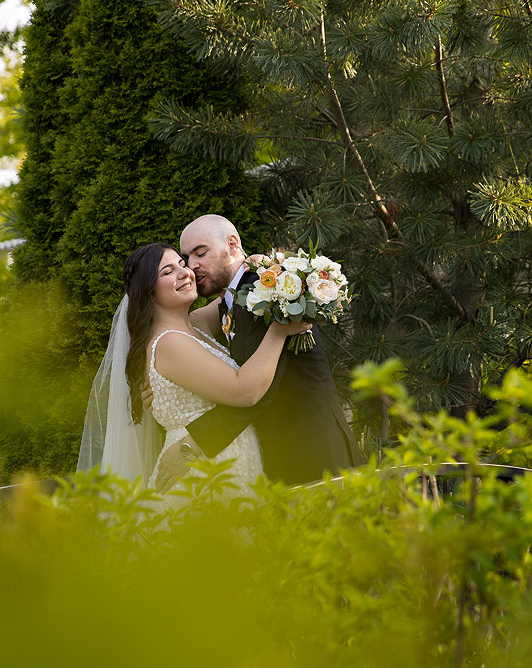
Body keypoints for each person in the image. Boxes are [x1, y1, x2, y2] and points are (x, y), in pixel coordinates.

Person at [77, 242, 311, 508]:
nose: (184, 272)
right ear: (149, 293)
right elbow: (245, 390)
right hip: (201, 473)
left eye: (181, 264)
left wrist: (257, 262)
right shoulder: (168, 343)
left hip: (228, 462)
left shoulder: (194, 324)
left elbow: (235, 289)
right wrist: (280, 330)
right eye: (167, 271)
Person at [153, 214, 363, 491]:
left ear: (232, 244)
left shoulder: (266, 293)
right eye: (186, 257)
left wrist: (193, 444)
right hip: (282, 459)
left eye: (200, 253)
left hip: (315, 455)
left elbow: (259, 391)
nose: (192, 266)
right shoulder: (231, 302)